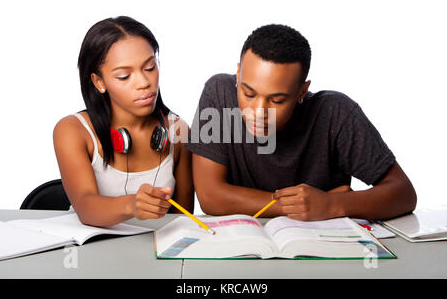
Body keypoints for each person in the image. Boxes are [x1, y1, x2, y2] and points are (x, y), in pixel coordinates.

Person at [185, 24, 416, 221]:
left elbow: (404, 193)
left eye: (276, 100)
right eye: (248, 93)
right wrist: (295, 206)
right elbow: (211, 197)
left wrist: (331, 205)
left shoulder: (336, 112)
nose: (258, 111)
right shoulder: (218, 93)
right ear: (238, 74)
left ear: (301, 91)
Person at [53, 16, 193, 227]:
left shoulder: (178, 131)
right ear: (99, 82)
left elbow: (182, 220)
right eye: (124, 76)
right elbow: (85, 206)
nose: (144, 83)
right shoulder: (72, 131)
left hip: (156, 252)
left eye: (150, 67)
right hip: (92, 249)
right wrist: (132, 205)